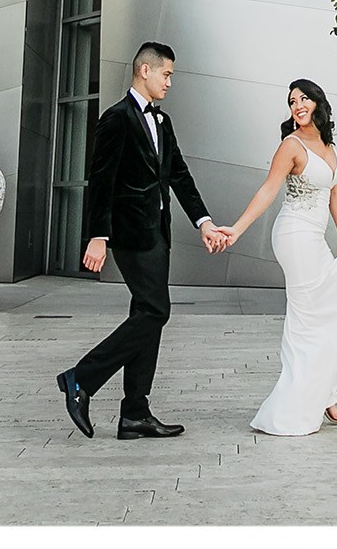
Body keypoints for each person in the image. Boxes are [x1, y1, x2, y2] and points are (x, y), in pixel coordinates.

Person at [56, 42, 228, 440]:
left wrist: (203, 221)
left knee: (146, 316)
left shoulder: (162, 122)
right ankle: (81, 379)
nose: (170, 82)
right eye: (166, 74)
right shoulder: (116, 119)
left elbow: (179, 175)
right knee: (155, 312)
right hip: (130, 234)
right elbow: (100, 181)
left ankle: (135, 413)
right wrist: (98, 236)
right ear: (144, 71)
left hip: (158, 233)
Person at [216, 78, 337, 435]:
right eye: (292, 101)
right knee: (307, 319)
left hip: (317, 237)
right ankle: (294, 407)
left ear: (317, 103)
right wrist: (237, 228)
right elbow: (268, 189)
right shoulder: (290, 145)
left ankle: (325, 392)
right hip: (294, 235)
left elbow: (334, 191)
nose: (297, 105)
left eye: (304, 99)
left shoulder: (328, 144)